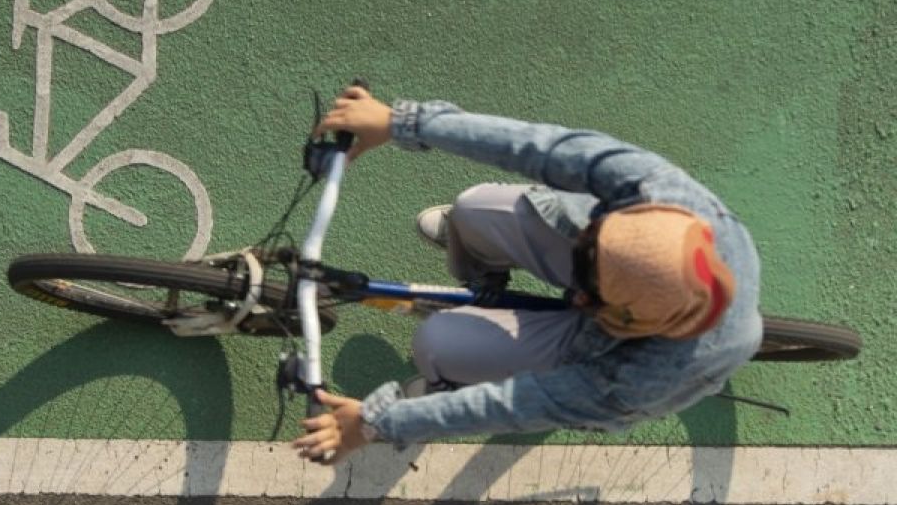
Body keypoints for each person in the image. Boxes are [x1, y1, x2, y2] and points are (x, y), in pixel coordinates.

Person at [292, 85, 761, 463]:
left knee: (435, 343)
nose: (577, 294)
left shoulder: (640, 379)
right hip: (626, 290)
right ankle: (480, 263)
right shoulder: (654, 189)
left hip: (605, 354)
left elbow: (515, 405)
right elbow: (538, 147)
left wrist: (382, 421)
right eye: (589, 250)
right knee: (473, 208)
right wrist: (400, 123)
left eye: (590, 297)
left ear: (634, 321)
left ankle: (447, 381)